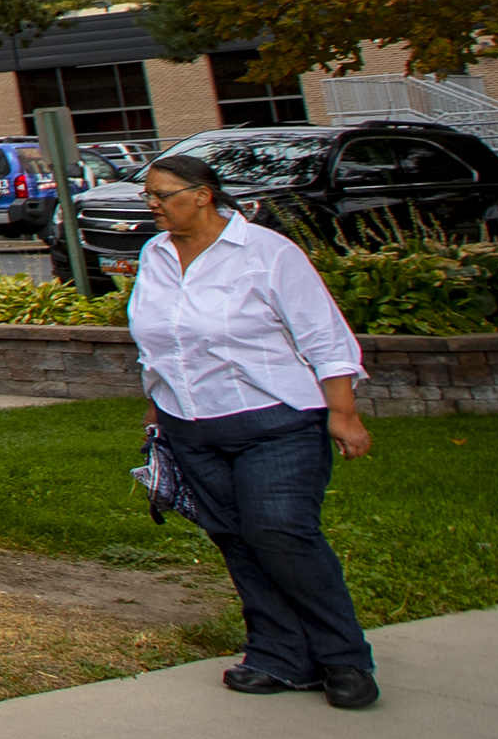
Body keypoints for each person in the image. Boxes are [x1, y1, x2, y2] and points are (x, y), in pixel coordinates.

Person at [131, 150, 378, 708]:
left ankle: (344, 658)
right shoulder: (155, 254)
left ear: (202, 195)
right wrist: (155, 405)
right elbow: (159, 338)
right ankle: (280, 656)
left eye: (161, 196)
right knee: (237, 539)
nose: (152, 207)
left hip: (276, 422)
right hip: (189, 425)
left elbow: (324, 336)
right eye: (148, 196)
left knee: (281, 532)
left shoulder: (266, 253)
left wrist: (343, 412)